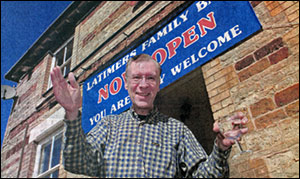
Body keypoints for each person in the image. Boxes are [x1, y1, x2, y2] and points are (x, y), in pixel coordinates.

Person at [50, 54, 248, 178]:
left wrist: (221, 148)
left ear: (158, 84)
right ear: (126, 83)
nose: (143, 85)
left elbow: (204, 176)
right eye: (136, 78)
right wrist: (72, 112)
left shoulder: (176, 130)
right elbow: (76, 162)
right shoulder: (108, 125)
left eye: (150, 78)